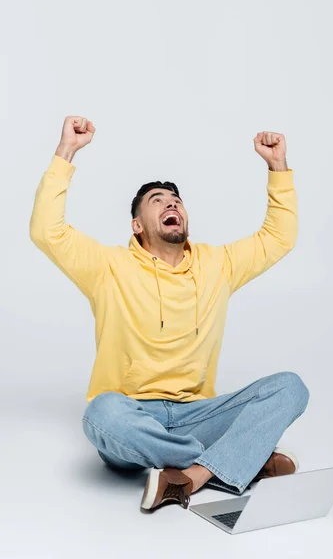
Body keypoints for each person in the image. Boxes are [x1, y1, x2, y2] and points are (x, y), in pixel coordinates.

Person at [30, 116, 309, 512]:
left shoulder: (219, 264)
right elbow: (47, 231)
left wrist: (277, 166)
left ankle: (190, 476)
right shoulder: (107, 267)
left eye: (175, 199)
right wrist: (67, 152)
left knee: (290, 388)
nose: (171, 203)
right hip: (133, 416)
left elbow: (279, 237)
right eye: (157, 200)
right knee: (101, 414)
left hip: (199, 413)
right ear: (137, 224)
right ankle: (239, 458)